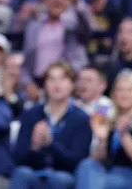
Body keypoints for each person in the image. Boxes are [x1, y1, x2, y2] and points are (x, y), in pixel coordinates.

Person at [75, 70, 132, 188]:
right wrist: (102, 139)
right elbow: (98, 159)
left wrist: (124, 135)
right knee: (87, 165)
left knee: (101, 182)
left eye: (130, 90)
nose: (124, 94)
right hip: (108, 172)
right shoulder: (111, 120)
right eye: (120, 90)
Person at [10, 61, 91, 189]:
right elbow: (18, 159)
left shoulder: (81, 119)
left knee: (58, 180)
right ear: (45, 85)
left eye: (62, 79)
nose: (56, 85)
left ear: (72, 85)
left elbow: (77, 162)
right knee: (21, 174)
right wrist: (34, 148)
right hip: (34, 172)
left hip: (64, 175)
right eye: (51, 79)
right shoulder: (31, 115)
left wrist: (51, 144)